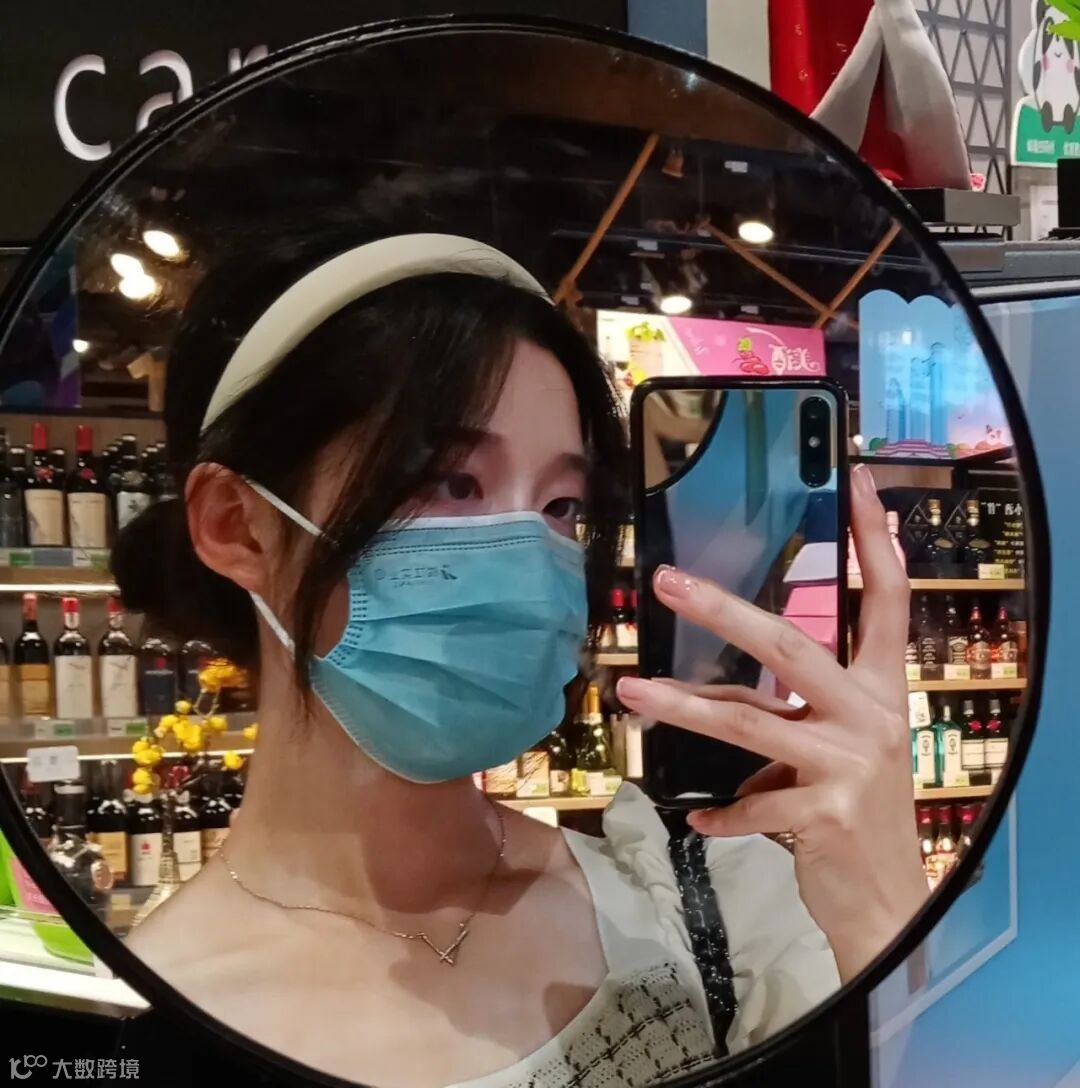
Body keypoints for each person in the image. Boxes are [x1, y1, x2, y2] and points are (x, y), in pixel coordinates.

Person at [119, 233, 928, 1088]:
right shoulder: (151, 1021)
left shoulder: (699, 909)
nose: (530, 559)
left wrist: (883, 912)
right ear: (239, 527)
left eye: (561, 505)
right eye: (452, 483)